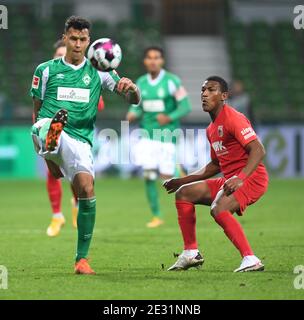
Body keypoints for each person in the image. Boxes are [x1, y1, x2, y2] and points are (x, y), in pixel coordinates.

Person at [30, 16, 140, 274]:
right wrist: (47, 157)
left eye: (82, 39)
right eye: (73, 38)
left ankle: (82, 260)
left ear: (89, 41)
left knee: (86, 190)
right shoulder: (45, 70)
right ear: (65, 37)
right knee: (44, 127)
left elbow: (133, 100)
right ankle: (51, 142)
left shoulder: (100, 71)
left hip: (80, 139)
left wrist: (131, 87)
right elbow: (35, 111)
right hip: (48, 127)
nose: (78, 44)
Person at [163, 76, 268, 272]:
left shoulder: (233, 118)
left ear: (224, 96)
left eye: (211, 90)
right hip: (230, 178)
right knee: (184, 193)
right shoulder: (211, 129)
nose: (204, 94)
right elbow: (214, 165)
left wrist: (240, 177)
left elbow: (258, 150)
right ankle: (190, 253)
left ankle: (250, 258)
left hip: (251, 178)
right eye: (203, 90)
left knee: (218, 209)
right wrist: (181, 180)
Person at [44, 40, 105, 237]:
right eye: (58, 54)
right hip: (53, 131)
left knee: (74, 175)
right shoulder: (50, 76)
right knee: (51, 172)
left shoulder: (87, 77)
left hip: (78, 134)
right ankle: (56, 215)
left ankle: (77, 203)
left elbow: (100, 105)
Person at [126, 46, 191, 228]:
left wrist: (169, 117)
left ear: (162, 61)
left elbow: (185, 106)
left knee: (169, 177)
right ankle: (156, 215)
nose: (153, 61)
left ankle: (189, 191)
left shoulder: (172, 81)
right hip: (147, 137)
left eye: (156, 57)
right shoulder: (141, 82)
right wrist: (132, 113)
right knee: (148, 175)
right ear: (145, 61)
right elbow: (137, 106)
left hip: (167, 137)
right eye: (149, 57)